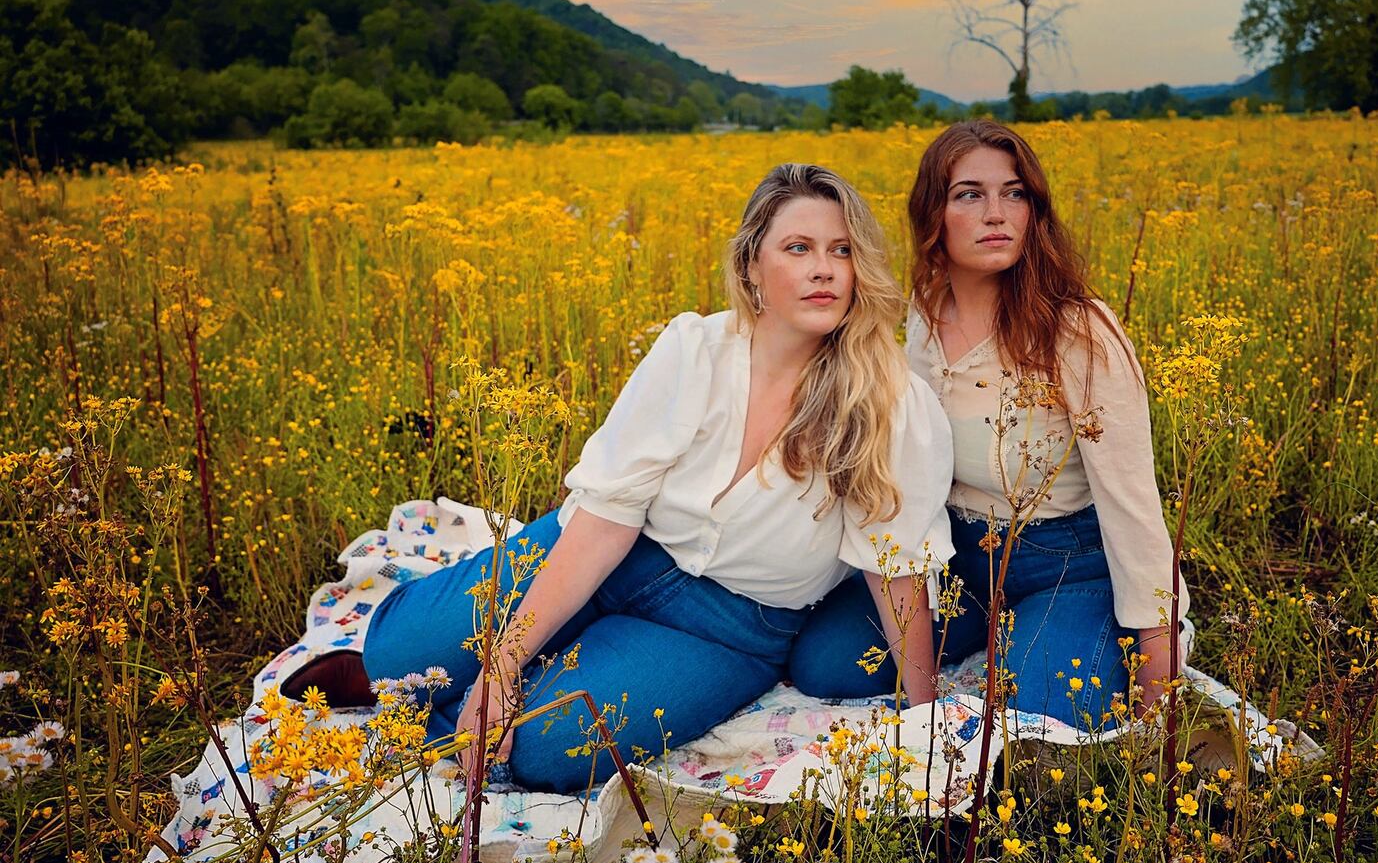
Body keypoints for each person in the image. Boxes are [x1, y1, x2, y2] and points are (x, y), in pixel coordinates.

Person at [288, 163, 954, 793]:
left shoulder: (890, 401)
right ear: (753, 266)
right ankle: (415, 671)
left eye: (841, 252)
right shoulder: (697, 348)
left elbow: (895, 569)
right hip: (611, 552)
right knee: (400, 653)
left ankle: (452, 713)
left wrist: (925, 722)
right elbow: (606, 524)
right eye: (799, 248)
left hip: (727, 626)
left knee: (543, 749)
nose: (823, 271)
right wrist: (502, 662)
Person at [788, 120, 1189, 728]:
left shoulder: (1078, 331)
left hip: (1065, 564)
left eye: (1015, 192)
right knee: (824, 664)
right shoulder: (922, 318)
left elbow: (1135, 510)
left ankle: (1066, 634)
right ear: (934, 215)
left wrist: (1163, 690)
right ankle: (997, 639)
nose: (996, 212)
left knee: (1041, 713)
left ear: (1035, 211)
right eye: (969, 194)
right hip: (959, 562)